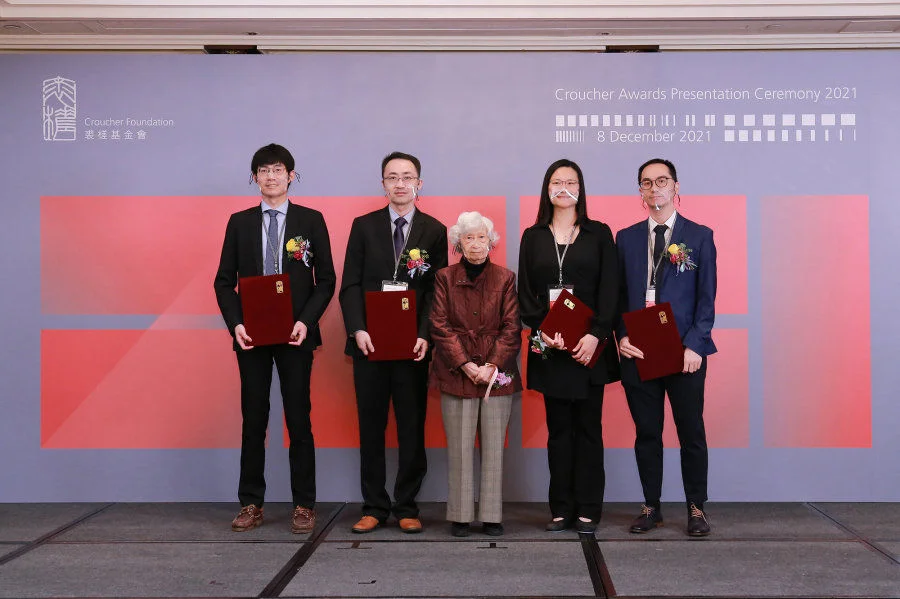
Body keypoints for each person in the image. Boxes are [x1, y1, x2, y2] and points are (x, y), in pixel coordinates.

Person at [214, 143, 336, 533]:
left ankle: (304, 504)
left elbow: (327, 280)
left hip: (296, 335)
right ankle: (251, 503)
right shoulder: (239, 222)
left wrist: (306, 321)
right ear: (254, 178)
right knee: (254, 418)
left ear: (291, 176)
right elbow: (223, 282)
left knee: (299, 418)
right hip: (252, 336)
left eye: (278, 170)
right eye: (263, 170)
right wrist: (237, 324)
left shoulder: (311, 220)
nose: (270, 177)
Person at [339, 151, 448, 534]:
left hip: (411, 347)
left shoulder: (434, 230)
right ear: (382, 183)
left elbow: (436, 290)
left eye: (407, 177)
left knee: (411, 427)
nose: (400, 183)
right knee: (370, 427)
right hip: (369, 344)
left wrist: (424, 334)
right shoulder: (363, 226)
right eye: (392, 177)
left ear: (420, 183)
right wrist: (358, 329)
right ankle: (373, 505)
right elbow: (350, 284)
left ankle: (406, 505)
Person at [616, 158, 717, 537]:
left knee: (691, 430)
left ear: (676, 187)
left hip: (683, 350)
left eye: (662, 181)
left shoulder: (700, 235)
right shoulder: (625, 238)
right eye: (646, 183)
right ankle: (651, 507)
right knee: (647, 432)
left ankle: (696, 507)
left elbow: (707, 299)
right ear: (639, 191)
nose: (654, 188)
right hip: (638, 348)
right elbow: (618, 296)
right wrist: (620, 336)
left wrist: (695, 345)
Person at [517, 159, 619, 534]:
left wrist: (596, 335)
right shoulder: (533, 235)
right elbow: (526, 292)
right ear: (547, 189)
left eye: (570, 181)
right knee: (558, 432)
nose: (563, 187)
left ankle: (590, 507)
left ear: (581, 188)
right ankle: (561, 508)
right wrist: (544, 331)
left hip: (589, 348)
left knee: (589, 430)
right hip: (550, 346)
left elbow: (610, 289)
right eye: (556, 182)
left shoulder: (598, 233)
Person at [430, 212, 522, 537]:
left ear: (491, 242)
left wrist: (492, 365)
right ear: (459, 243)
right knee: (459, 446)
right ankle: (460, 515)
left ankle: (493, 516)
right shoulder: (443, 277)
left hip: (497, 375)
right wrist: (466, 364)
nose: (475, 244)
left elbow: (513, 327)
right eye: (468, 237)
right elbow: (439, 326)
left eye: (481, 237)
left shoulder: (506, 278)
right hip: (456, 372)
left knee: (494, 446)